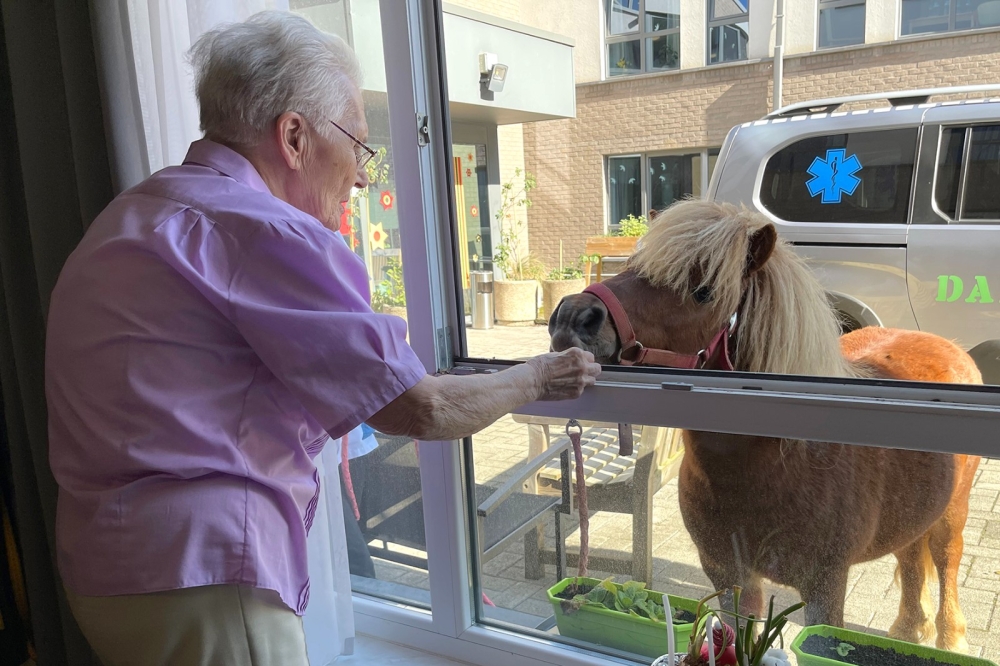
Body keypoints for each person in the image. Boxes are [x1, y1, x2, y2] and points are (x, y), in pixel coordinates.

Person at [44, 11, 600, 666]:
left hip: (105, 577)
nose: (364, 175)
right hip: (206, 584)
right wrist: (536, 377)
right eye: (359, 145)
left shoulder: (127, 217)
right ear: (295, 137)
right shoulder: (266, 232)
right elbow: (419, 407)